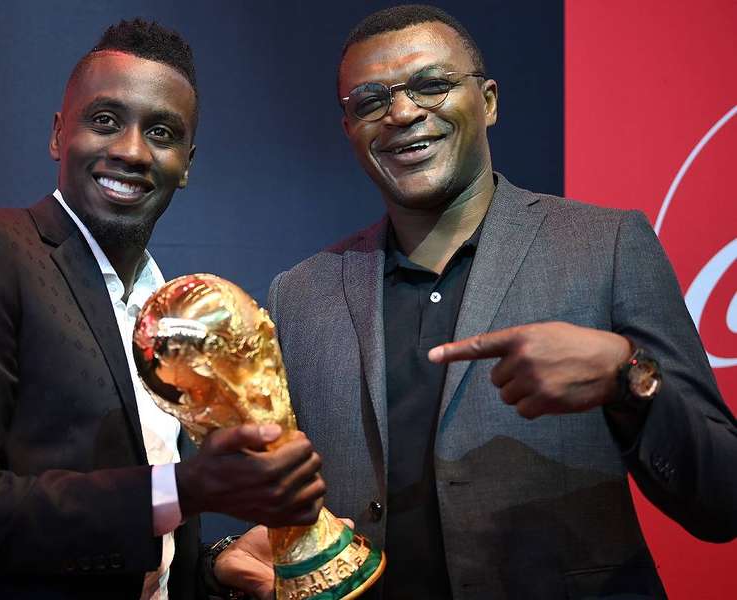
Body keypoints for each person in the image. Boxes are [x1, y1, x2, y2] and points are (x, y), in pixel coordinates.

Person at [214, 5, 737, 598]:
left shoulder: (607, 246)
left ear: (487, 101)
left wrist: (629, 380)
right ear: (350, 129)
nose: (402, 113)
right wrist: (224, 557)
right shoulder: (300, 294)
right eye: (370, 101)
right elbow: (267, 509)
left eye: (431, 85)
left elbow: (722, 499)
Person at [0, 18, 325, 600]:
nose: (131, 151)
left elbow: (127, 556)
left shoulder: (166, 309)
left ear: (187, 163)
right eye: (105, 121)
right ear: (56, 134)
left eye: (162, 133)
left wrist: (214, 567)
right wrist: (185, 490)